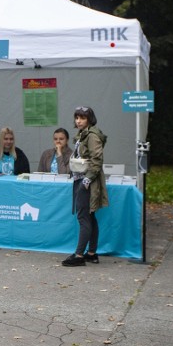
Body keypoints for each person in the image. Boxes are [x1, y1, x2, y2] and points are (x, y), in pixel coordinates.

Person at [62, 106, 109, 267]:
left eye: (82, 118)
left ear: (89, 119)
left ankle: (79, 255)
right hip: (81, 179)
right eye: (77, 117)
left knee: (84, 217)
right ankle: (91, 253)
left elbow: (97, 160)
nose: (78, 121)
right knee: (90, 216)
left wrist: (86, 181)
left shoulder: (92, 136)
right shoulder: (83, 135)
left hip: (86, 181)